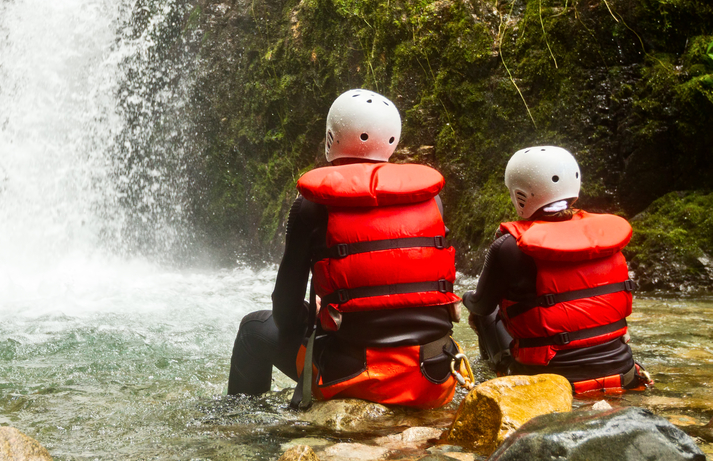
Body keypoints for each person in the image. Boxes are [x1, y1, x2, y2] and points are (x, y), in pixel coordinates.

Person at [227, 89, 462, 408]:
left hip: (353, 378)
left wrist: (324, 312)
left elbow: (284, 307)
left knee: (253, 328)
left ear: (331, 137)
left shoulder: (311, 206)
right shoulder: (430, 200)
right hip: (433, 374)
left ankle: (240, 432)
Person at [462, 146, 652, 394]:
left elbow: (482, 305)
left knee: (484, 313)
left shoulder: (509, 246)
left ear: (519, 194)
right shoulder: (605, 238)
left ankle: (493, 381)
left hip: (551, 383)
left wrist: (466, 298)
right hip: (622, 374)